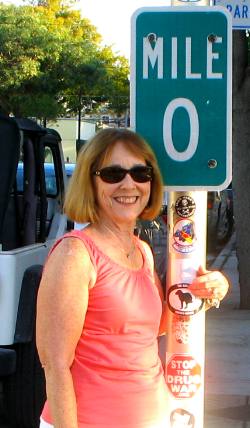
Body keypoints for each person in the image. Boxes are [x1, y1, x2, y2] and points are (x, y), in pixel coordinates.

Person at [36, 128, 229, 428]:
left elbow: (149, 329)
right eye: (113, 174)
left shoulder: (141, 250)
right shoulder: (75, 254)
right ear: (90, 180)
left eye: (140, 173)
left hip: (153, 417)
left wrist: (207, 291)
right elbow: (54, 364)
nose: (129, 184)